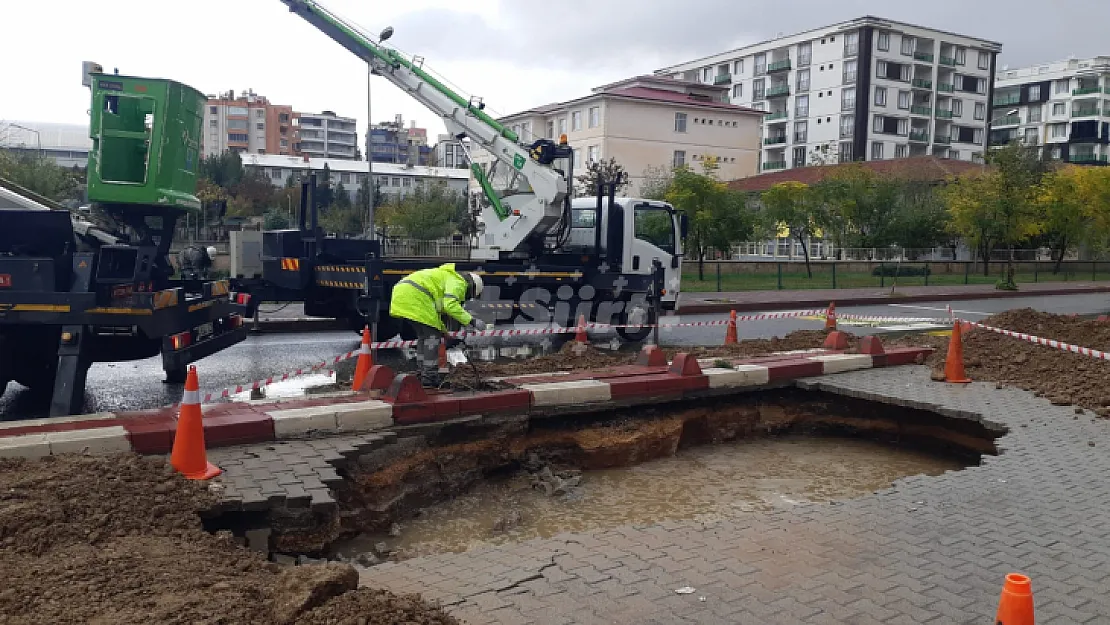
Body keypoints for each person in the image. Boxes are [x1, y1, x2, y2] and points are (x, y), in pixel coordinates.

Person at [388, 263, 487, 385]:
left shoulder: (446, 277)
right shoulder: (458, 282)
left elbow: (435, 317)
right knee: (432, 338)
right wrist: (471, 320)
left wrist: (444, 333)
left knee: (424, 336)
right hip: (416, 296)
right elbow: (450, 305)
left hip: (403, 294)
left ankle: (422, 371)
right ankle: (430, 376)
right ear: (471, 287)